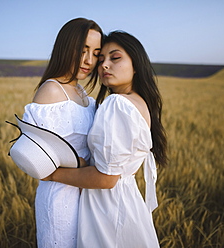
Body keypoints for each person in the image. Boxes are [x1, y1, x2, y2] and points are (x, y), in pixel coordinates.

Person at [43, 31, 168, 247]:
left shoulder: (117, 104)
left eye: (115, 58)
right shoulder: (140, 103)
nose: (104, 65)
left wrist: (52, 175)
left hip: (106, 211)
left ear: (136, 64)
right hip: (128, 200)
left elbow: (106, 178)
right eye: (101, 60)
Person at [21, 18, 102, 247]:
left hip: (86, 195)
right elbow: (38, 160)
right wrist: (82, 163)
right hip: (60, 200)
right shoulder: (51, 91)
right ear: (66, 47)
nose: (89, 60)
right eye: (83, 50)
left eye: (96, 53)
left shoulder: (80, 91)